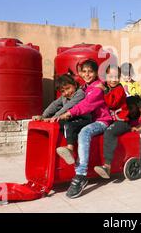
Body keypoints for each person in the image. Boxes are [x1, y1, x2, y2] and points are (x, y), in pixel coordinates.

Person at [53, 59, 112, 199]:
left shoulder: (98, 88)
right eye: (84, 71)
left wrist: (68, 113)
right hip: (89, 120)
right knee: (67, 126)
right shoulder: (85, 87)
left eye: (90, 71)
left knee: (84, 131)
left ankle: (81, 175)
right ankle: (69, 152)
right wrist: (49, 115)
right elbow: (66, 101)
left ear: (96, 72)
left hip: (102, 121)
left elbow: (86, 105)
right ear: (80, 73)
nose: (87, 74)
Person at [36, 74, 92, 164]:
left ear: (74, 84)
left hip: (84, 119)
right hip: (71, 119)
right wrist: (43, 116)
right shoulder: (64, 97)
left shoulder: (80, 94)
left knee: (69, 125)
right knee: (61, 124)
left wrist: (54, 117)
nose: (66, 93)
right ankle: (62, 148)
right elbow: (54, 105)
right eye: (63, 91)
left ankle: (70, 149)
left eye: (68, 88)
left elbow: (67, 107)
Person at [93, 66, 131, 179]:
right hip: (109, 120)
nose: (114, 80)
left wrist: (104, 90)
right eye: (110, 77)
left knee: (109, 133)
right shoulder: (106, 85)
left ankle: (107, 166)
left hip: (121, 121)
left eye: (116, 77)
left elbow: (112, 104)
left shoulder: (119, 89)